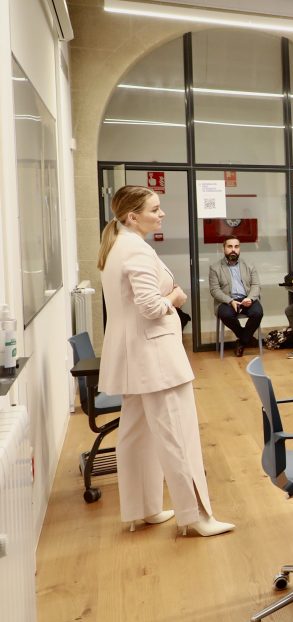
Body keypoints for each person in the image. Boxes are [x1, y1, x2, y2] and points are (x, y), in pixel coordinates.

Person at [96, 185, 234, 537]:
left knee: (135, 435)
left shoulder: (116, 247)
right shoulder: (135, 251)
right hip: (154, 358)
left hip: (134, 358)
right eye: (155, 209)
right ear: (132, 216)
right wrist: (175, 296)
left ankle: (142, 509)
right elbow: (151, 307)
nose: (162, 214)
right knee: (178, 436)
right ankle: (196, 517)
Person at [209, 236, 262, 357]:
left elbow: (256, 285)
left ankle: (242, 341)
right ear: (224, 249)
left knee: (258, 313)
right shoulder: (215, 268)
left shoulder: (249, 265)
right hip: (227, 301)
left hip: (247, 299)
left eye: (236, 247)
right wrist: (230, 301)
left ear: (239, 249)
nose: (233, 249)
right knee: (225, 315)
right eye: (230, 246)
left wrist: (250, 298)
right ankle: (246, 338)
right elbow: (215, 290)